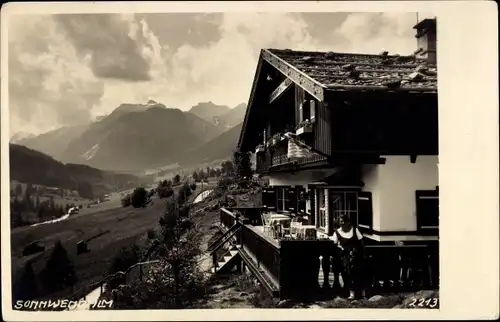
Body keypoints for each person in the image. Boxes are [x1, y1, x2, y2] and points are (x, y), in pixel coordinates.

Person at [330, 214, 366, 300]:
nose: (341, 223)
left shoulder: (354, 230)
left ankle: (363, 294)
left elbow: (361, 242)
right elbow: (334, 244)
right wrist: (340, 247)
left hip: (356, 255)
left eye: (343, 221)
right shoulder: (337, 232)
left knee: (360, 274)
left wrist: (363, 253)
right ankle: (352, 294)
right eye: (340, 222)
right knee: (349, 274)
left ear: (348, 222)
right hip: (345, 256)